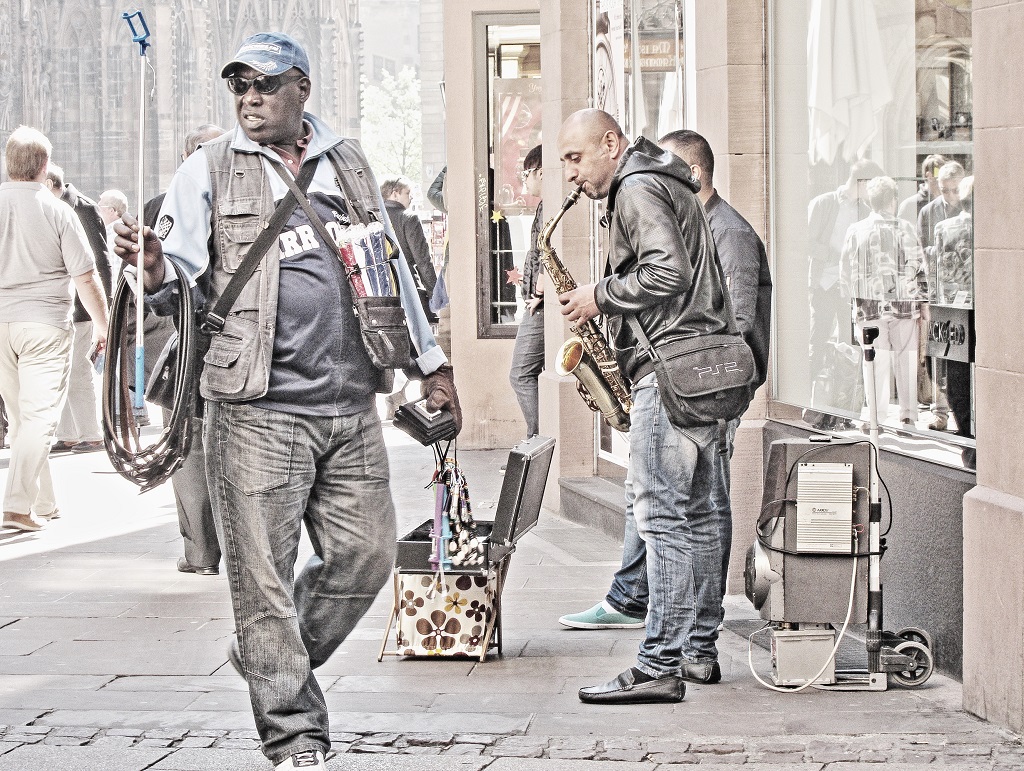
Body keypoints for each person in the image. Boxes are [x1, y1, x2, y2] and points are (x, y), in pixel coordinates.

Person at [113, 33, 460, 770]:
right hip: (256, 406)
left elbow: (389, 272)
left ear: (300, 87)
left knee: (366, 556)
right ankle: (295, 735)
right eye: (239, 85)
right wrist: (147, 269)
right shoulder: (208, 169)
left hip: (349, 403)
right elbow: (169, 271)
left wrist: (433, 363)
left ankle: (268, 655)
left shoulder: (348, 161)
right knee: (261, 580)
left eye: (264, 84)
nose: (248, 98)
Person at [558, 130, 772, 682]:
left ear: (611, 143)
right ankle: (698, 651)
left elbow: (667, 273)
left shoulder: (636, 187)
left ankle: (659, 664)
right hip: (690, 371)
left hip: (670, 374)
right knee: (698, 514)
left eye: (575, 157)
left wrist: (598, 295)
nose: (570, 173)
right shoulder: (668, 185)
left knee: (662, 517)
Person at [0, 126, 108, 532]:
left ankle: (43, 501)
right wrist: (103, 325)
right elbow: (86, 275)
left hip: (2, 324)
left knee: (22, 415)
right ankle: (15, 505)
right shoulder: (56, 209)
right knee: (40, 417)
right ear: (44, 166)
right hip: (44, 323)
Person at [146, 124, 226, 578]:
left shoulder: (163, 205)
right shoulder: (163, 206)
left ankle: (202, 551)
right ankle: (204, 550)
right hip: (196, 341)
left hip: (205, 342)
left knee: (193, 446)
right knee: (191, 444)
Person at [839, 176, 927, 428]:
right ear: (893, 200)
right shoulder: (907, 228)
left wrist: (852, 303)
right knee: (906, 359)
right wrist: (924, 303)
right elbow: (919, 266)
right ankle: (908, 415)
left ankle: (876, 418)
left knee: (875, 362)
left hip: (869, 307)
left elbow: (845, 272)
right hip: (904, 304)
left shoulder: (856, 231)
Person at [806, 159, 883, 425]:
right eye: (870, 186)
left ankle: (846, 410)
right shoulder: (824, 203)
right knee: (818, 343)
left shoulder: (865, 210)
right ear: (860, 182)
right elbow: (806, 241)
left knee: (852, 347)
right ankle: (813, 406)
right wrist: (836, 256)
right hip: (825, 284)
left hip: (850, 289)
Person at [44, 164, 114, 455]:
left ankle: (91, 433)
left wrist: (102, 308)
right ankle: (70, 433)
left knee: (78, 372)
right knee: (64, 371)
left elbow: (100, 262)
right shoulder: (57, 208)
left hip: (82, 307)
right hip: (67, 305)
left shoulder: (81, 209)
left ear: (49, 184)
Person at [381, 174, 439, 416]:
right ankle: (413, 397)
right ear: (394, 193)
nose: (410, 198)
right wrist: (435, 295)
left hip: (379, 297)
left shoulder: (372, 218)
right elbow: (422, 261)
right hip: (408, 295)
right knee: (420, 350)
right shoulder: (408, 219)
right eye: (407, 194)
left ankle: (394, 395)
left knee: (387, 346)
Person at [917, 160, 965, 431]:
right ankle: (940, 411)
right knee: (937, 352)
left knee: (960, 351)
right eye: (944, 190)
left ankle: (962, 412)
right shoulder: (929, 212)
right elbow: (922, 251)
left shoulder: (970, 208)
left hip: (964, 293)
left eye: (954, 190)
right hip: (939, 291)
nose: (949, 196)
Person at [508, 144, 546, 439]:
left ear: (541, 172)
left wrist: (541, 288)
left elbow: (547, 251)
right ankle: (538, 437)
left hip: (542, 306)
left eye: (527, 173)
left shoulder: (549, 206)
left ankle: (536, 439)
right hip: (539, 303)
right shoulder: (544, 205)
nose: (525, 180)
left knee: (520, 374)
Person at [897, 154, 945, 226]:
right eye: (942, 175)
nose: (945, 179)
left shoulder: (947, 202)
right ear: (929, 176)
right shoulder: (909, 205)